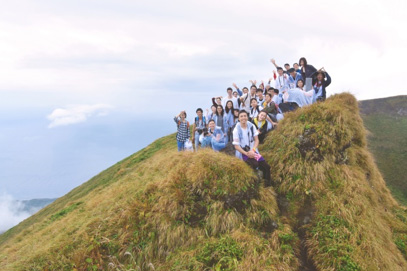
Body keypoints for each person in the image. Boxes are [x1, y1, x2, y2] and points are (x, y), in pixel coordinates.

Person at [233, 110, 272, 187]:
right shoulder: (236, 130)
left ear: (247, 117)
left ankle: (267, 184)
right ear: (238, 118)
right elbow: (236, 146)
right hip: (243, 153)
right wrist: (247, 153)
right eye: (241, 116)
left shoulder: (251, 126)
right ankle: (253, 185)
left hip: (253, 151)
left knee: (266, 167)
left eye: (245, 116)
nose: (243, 118)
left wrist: (253, 150)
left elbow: (256, 140)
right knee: (254, 164)